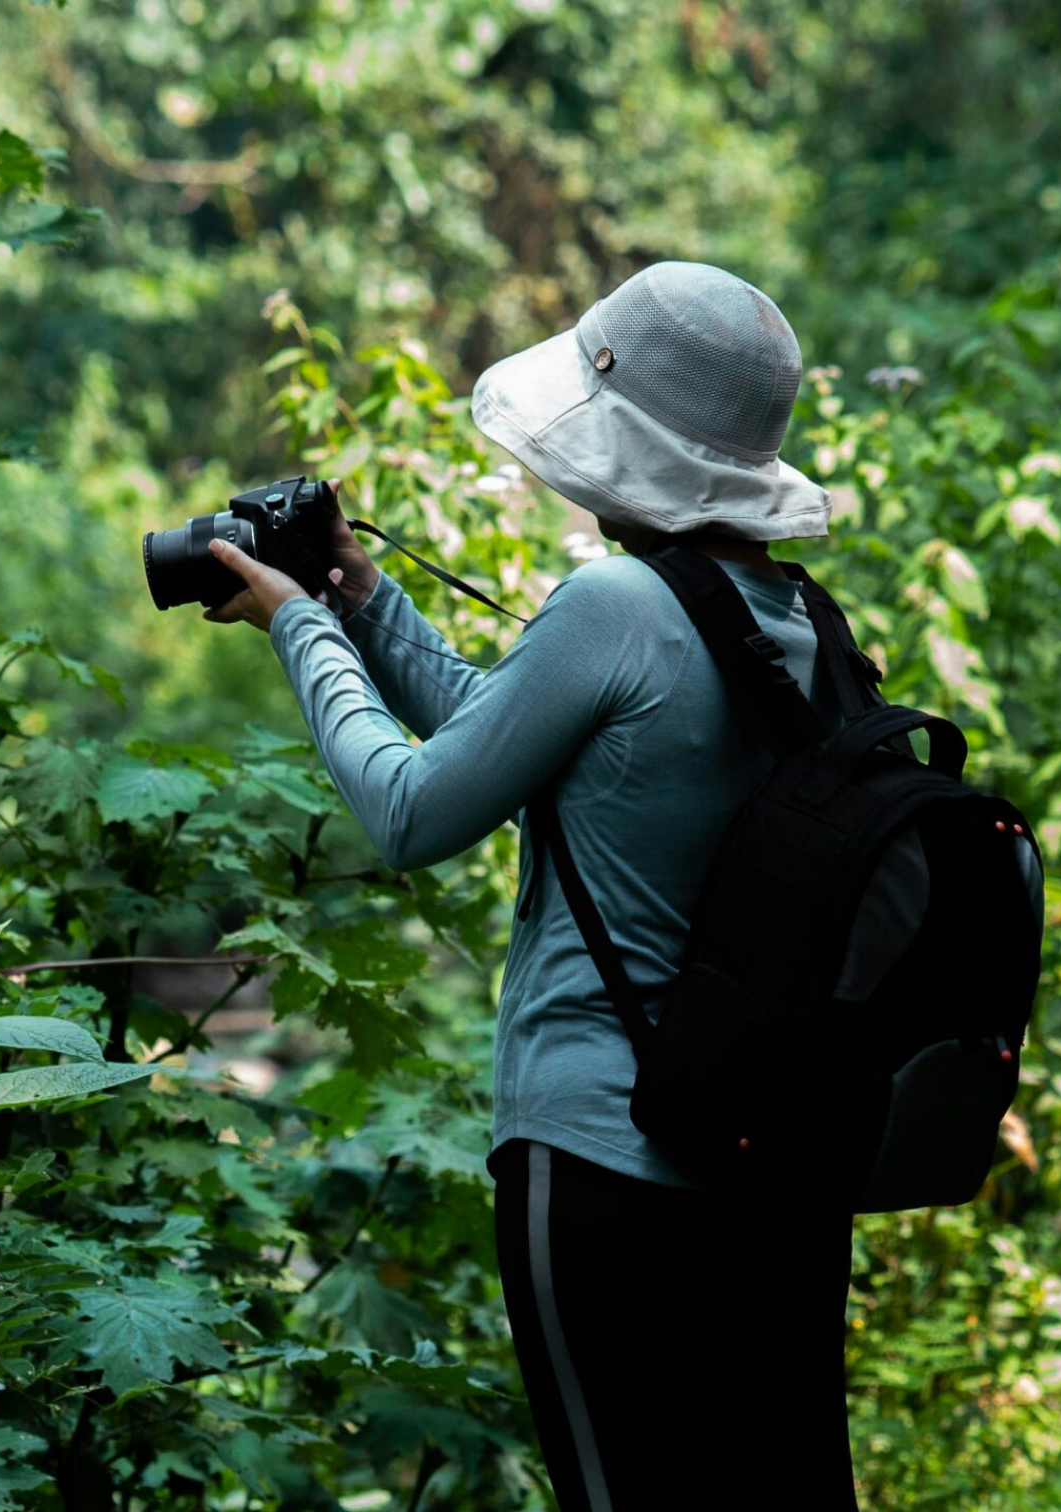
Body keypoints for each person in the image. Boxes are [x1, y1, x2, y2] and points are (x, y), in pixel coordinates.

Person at [203, 263, 859, 1510]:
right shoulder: (797, 622)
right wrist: (363, 593)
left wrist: (300, 622)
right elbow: (508, 742)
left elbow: (410, 809)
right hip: (766, 1166)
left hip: (608, 1157)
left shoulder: (617, 603)